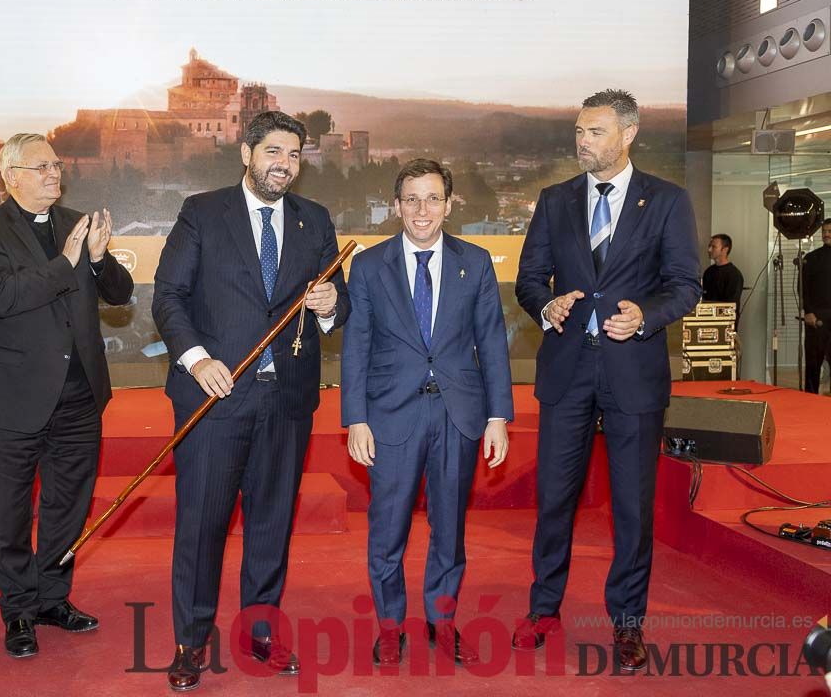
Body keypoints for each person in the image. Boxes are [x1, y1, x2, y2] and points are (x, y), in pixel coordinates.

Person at [152, 110, 350, 692]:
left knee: (270, 523)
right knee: (202, 525)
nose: (282, 164)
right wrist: (197, 360)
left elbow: (338, 307)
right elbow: (168, 297)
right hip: (215, 397)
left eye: (292, 155)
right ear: (246, 153)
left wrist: (329, 306)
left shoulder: (315, 220)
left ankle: (259, 631)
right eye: (272, 152)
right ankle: (191, 640)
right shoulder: (202, 212)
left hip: (286, 399)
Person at [513, 89, 701, 671]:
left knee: (631, 507)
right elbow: (528, 280)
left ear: (629, 133)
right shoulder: (554, 200)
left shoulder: (667, 201)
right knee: (554, 501)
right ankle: (544, 608)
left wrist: (647, 316)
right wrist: (547, 308)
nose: (582, 141)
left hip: (633, 374)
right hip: (567, 372)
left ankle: (627, 624)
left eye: (593, 132)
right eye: (578, 131)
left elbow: (685, 286)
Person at [0, 133, 133, 659]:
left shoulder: (78, 223)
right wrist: (67, 260)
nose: (54, 174)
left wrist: (99, 260)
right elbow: (4, 297)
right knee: (10, 512)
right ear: (11, 176)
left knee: (68, 506)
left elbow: (121, 295)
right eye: (41, 167)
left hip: (79, 395)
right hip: (12, 398)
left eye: (56, 165)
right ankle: (17, 608)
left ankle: (53, 598)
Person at [341, 159, 513, 667]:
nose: (422, 210)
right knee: (387, 529)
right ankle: (390, 626)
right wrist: (356, 419)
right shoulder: (369, 266)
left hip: (459, 417)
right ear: (397, 206)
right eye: (412, 199)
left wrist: (498, 416)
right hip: (390, 417)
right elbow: (357, 346)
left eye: (433, 198)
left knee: (449, 531)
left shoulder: (476, 262)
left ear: (449, 204)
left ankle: (442, 621)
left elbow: (492, 343)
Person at [801, 219, 831, 394]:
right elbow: (803, 288)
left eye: (829, 231)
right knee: (813, 362)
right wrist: (808, 312)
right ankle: (809, 400)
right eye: (824, 231)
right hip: (816, 317)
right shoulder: (811, 258)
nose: (826, 234)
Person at [702, 234, 744, 325]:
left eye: (713, 247)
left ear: (725, 249)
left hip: (725, 325)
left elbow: (731, 306)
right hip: (707, 323)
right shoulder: (708, 272)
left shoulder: (734, 275)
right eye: (709, 246)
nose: (709, 250)